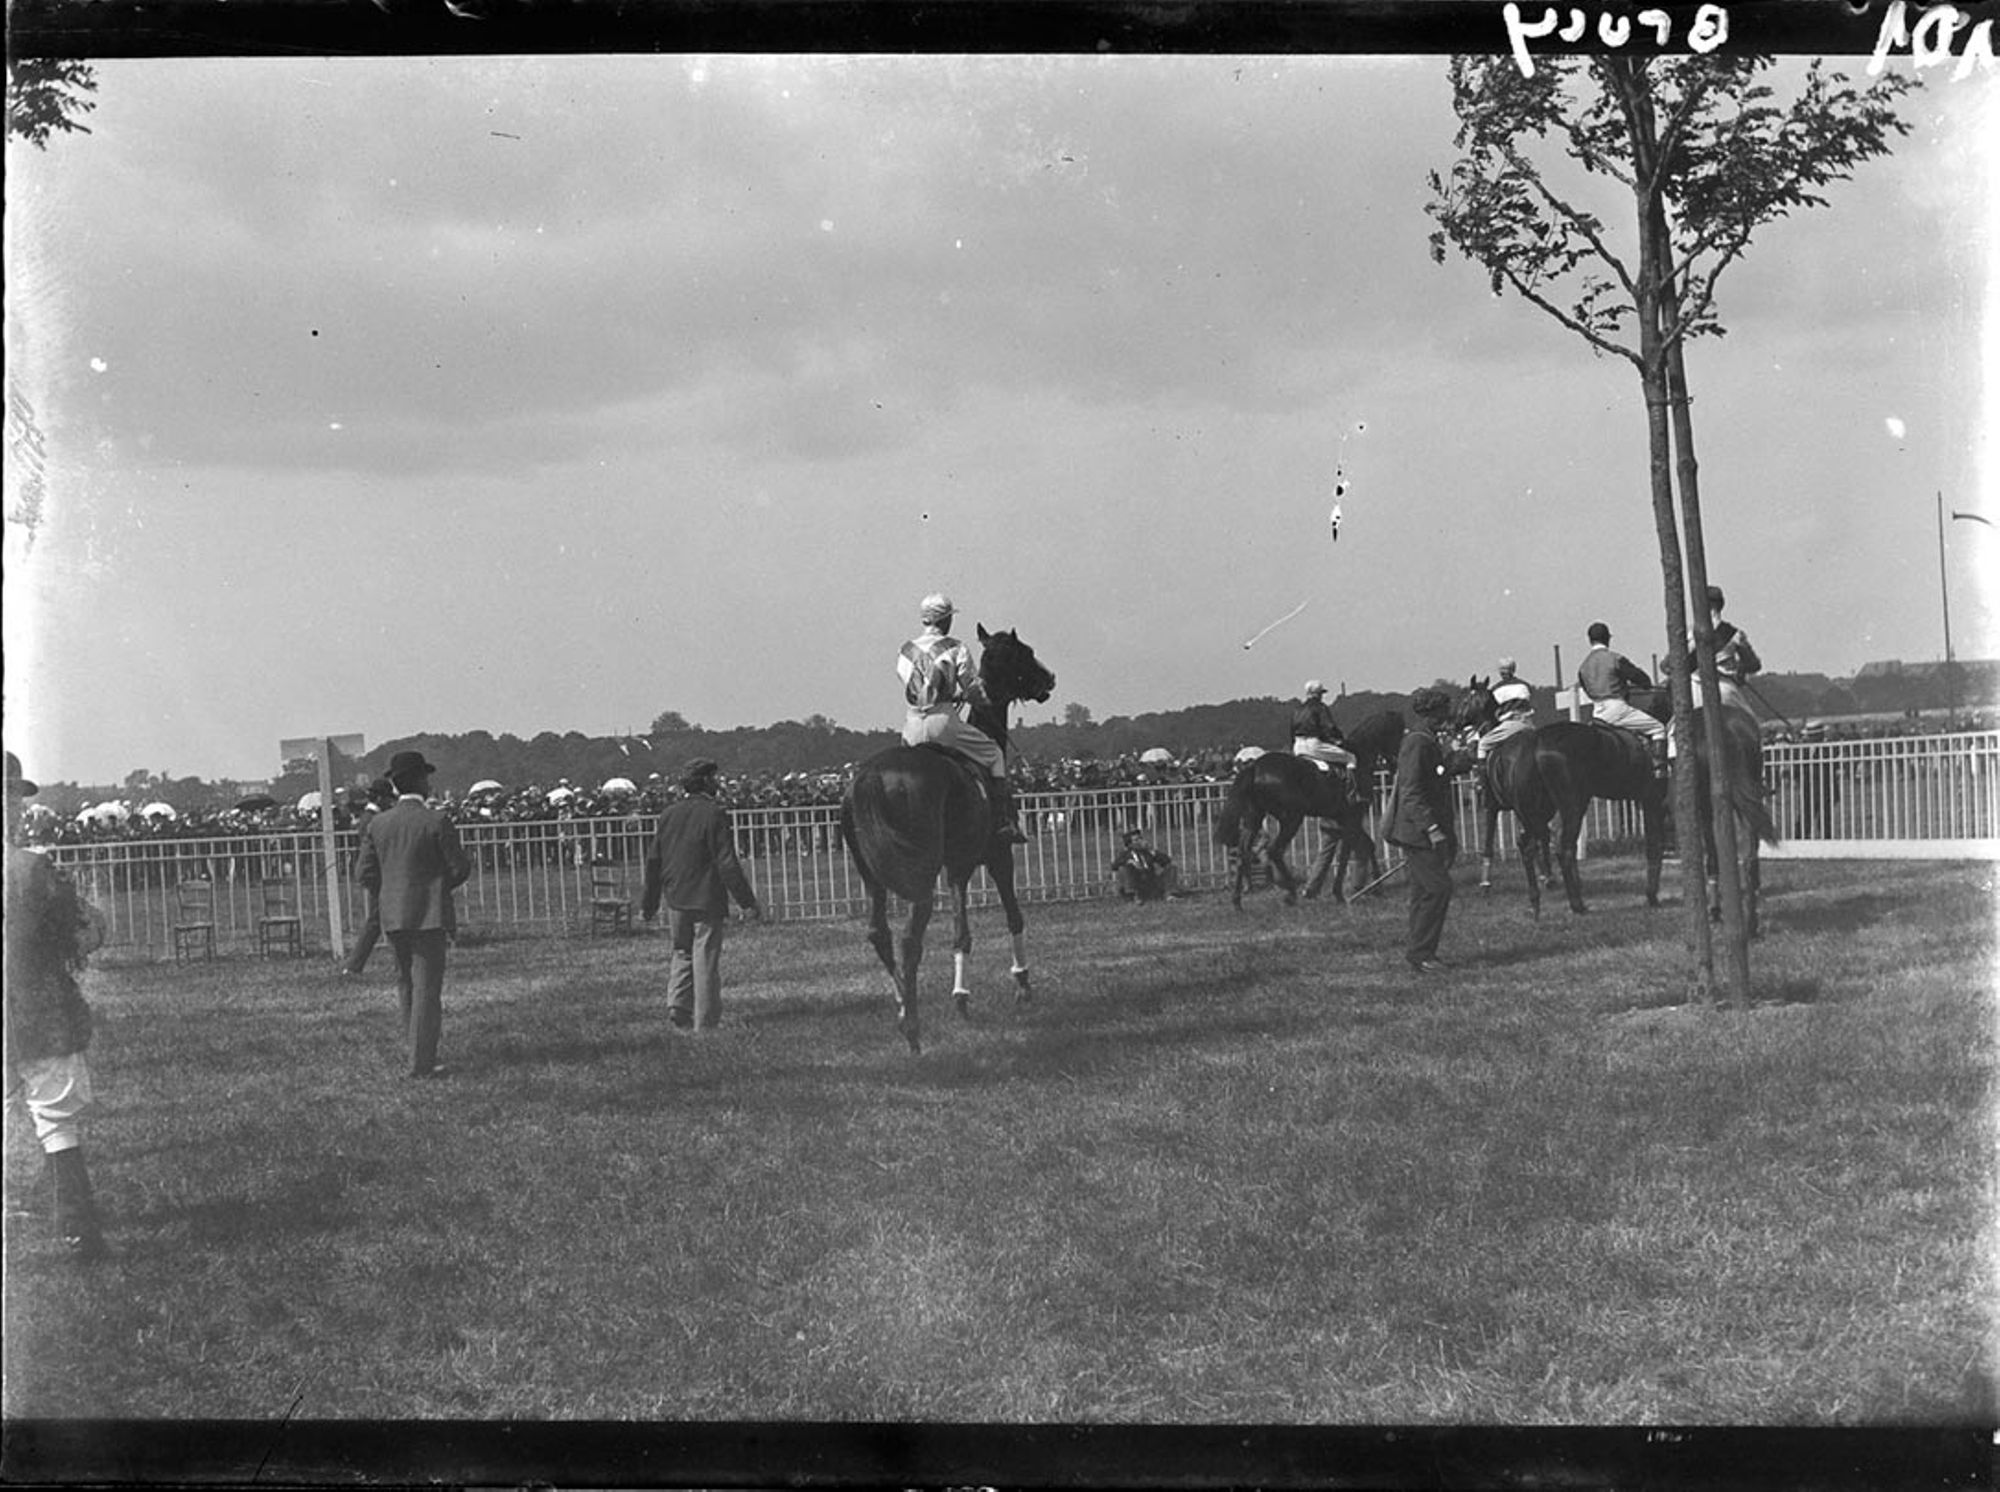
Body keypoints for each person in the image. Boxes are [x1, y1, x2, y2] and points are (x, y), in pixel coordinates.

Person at [4, 752, 108, 1259]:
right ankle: (76, 1226)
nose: (17, 809)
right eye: (12, 798)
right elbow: (85, 933)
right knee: (55, 1114)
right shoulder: (30, 868)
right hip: (35, 1005)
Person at [356, 750, 471, 1079]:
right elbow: (458, 868)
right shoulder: (436, 820)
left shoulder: (378, 823)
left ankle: (416, 1052)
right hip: (429, 914)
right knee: (427, 989)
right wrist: (437, 884)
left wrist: (390, 888)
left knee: (406, 985)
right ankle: (421, 1063)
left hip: (392, 914)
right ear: (421, 781)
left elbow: (364, 873)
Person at [641, 758, 763, 1031]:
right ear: (706, 781)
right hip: (706, 895)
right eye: (714, 778)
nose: (717, 783)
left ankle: (678, 1004)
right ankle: (705, 1022)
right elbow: (726, 862)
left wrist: (648, 903)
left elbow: (653, 861)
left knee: (681, 951)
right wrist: (747, 902)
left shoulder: (668, 814)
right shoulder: (714, 813)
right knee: (705, 957)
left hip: (675, 895)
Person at [897, 592, 1026, 845]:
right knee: (994, 754)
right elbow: (974, 690)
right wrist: (979, 700)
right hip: (944, 722)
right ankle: (1002, 821)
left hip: (911, 726)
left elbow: (919, 687)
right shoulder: (957, 647)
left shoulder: (904, 651)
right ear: (945, 620)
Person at [1385, 688, 1458, 975]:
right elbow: (1412, 792)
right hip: (1419, 832)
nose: (1447, 716)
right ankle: (1422, 953)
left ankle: (1419, 952)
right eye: (1443, 711)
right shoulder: (1418, 742)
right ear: (1432, 713)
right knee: (1439, 889)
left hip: (1418, 830)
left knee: (1422, 891)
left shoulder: (1426, 740)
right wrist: (1433, 829)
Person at [1577, 620, 1667, 776]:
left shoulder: (1583, 667)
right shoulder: (1615, 659)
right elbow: (1641, 678)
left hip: (1597, 712)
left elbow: (1588, 691)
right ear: (1608, 639)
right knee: (1658, 728)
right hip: (1617, 708)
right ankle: (1660, 770)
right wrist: (1644, 685)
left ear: (1589, 640)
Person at [340, 777, 398, 977]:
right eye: (388, 799)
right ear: (380, 798)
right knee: (377, 921)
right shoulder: (372, 819)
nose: (390, 802)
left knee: (379, 920)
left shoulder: (370, 816)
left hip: (377, 873)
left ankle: (355, 965)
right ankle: (354, 964)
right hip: (379, 874)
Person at [1694, 584, 1762, 715]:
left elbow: (1667, 666)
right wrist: (1740, 671)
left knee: (1672, 732)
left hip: (1694, 693)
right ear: (1721, 605)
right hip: (1726, 690)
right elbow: (1754, 665)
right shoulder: (1735, 634)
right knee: (1752, 724)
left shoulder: (1688, 634)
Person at [1290, 681, 1357, 772]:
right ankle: (1351, 784)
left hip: (1297, 747)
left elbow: (1292, 731)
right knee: (1351, 758)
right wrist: (1340, 739)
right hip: (1314, 746)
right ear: (1318, 694)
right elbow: (1329, 728)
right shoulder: (1320, 707)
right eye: (1321, 694)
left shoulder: (1297, 710)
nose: (1322, 697)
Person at [1110, 828, 1181, 902]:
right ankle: (1134, 896)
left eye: (1140, 838)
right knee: (1124, 869)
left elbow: (1166, 861)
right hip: (1137, 883)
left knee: (1171, 867)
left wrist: (1152, 851)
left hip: (1151, 882)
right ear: (1130, 844)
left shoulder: (1148, 852)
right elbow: (1114, 866)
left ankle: (1170, 895)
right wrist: (1129, 862)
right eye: (1136, 840)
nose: (1140, 841)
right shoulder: (1126, 854)